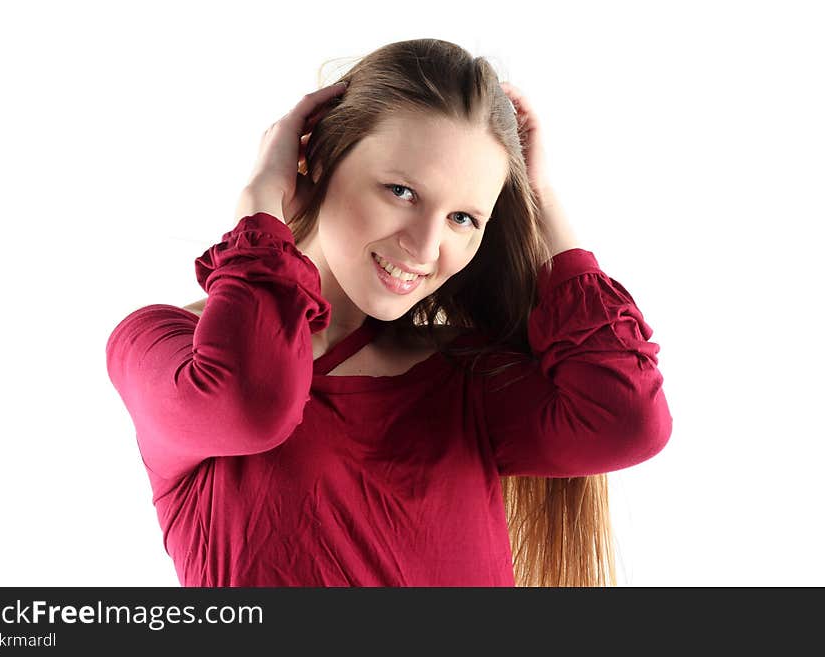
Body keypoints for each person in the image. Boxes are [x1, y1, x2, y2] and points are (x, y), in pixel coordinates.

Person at [105, 39, 672, 587]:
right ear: (314, 159)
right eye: (401, 191)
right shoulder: (165, 346)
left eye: (463, 218)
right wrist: (260, 207)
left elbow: (628, 420)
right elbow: (249, 403)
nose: (425, 248)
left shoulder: (462, 375)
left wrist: (542, 199)